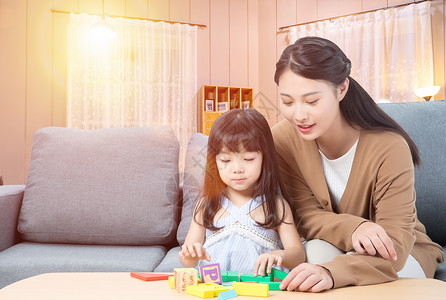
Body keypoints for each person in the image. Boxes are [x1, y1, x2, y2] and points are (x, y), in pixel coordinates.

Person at [272, 36, 444, 292]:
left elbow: (395, 241)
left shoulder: (389, 146)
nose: (299, 115)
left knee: (332, 274)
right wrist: (356, 228)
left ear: (341, 89)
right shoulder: (283, 140)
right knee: (314, 256)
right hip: (328, 243)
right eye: (287, 102)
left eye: (311, 101)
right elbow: (305, 216)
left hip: (400, 253)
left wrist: (333, 273)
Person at [179, 108, 305, 275]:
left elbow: (298, 254)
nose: (237, 169)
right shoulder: (206, 205)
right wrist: (191, 254)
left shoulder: (275, 205)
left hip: (261, 291)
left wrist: (279, 255)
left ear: (265, 158)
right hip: (217, 292)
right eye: (226, 160)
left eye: (248, 159)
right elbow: (187, 261)